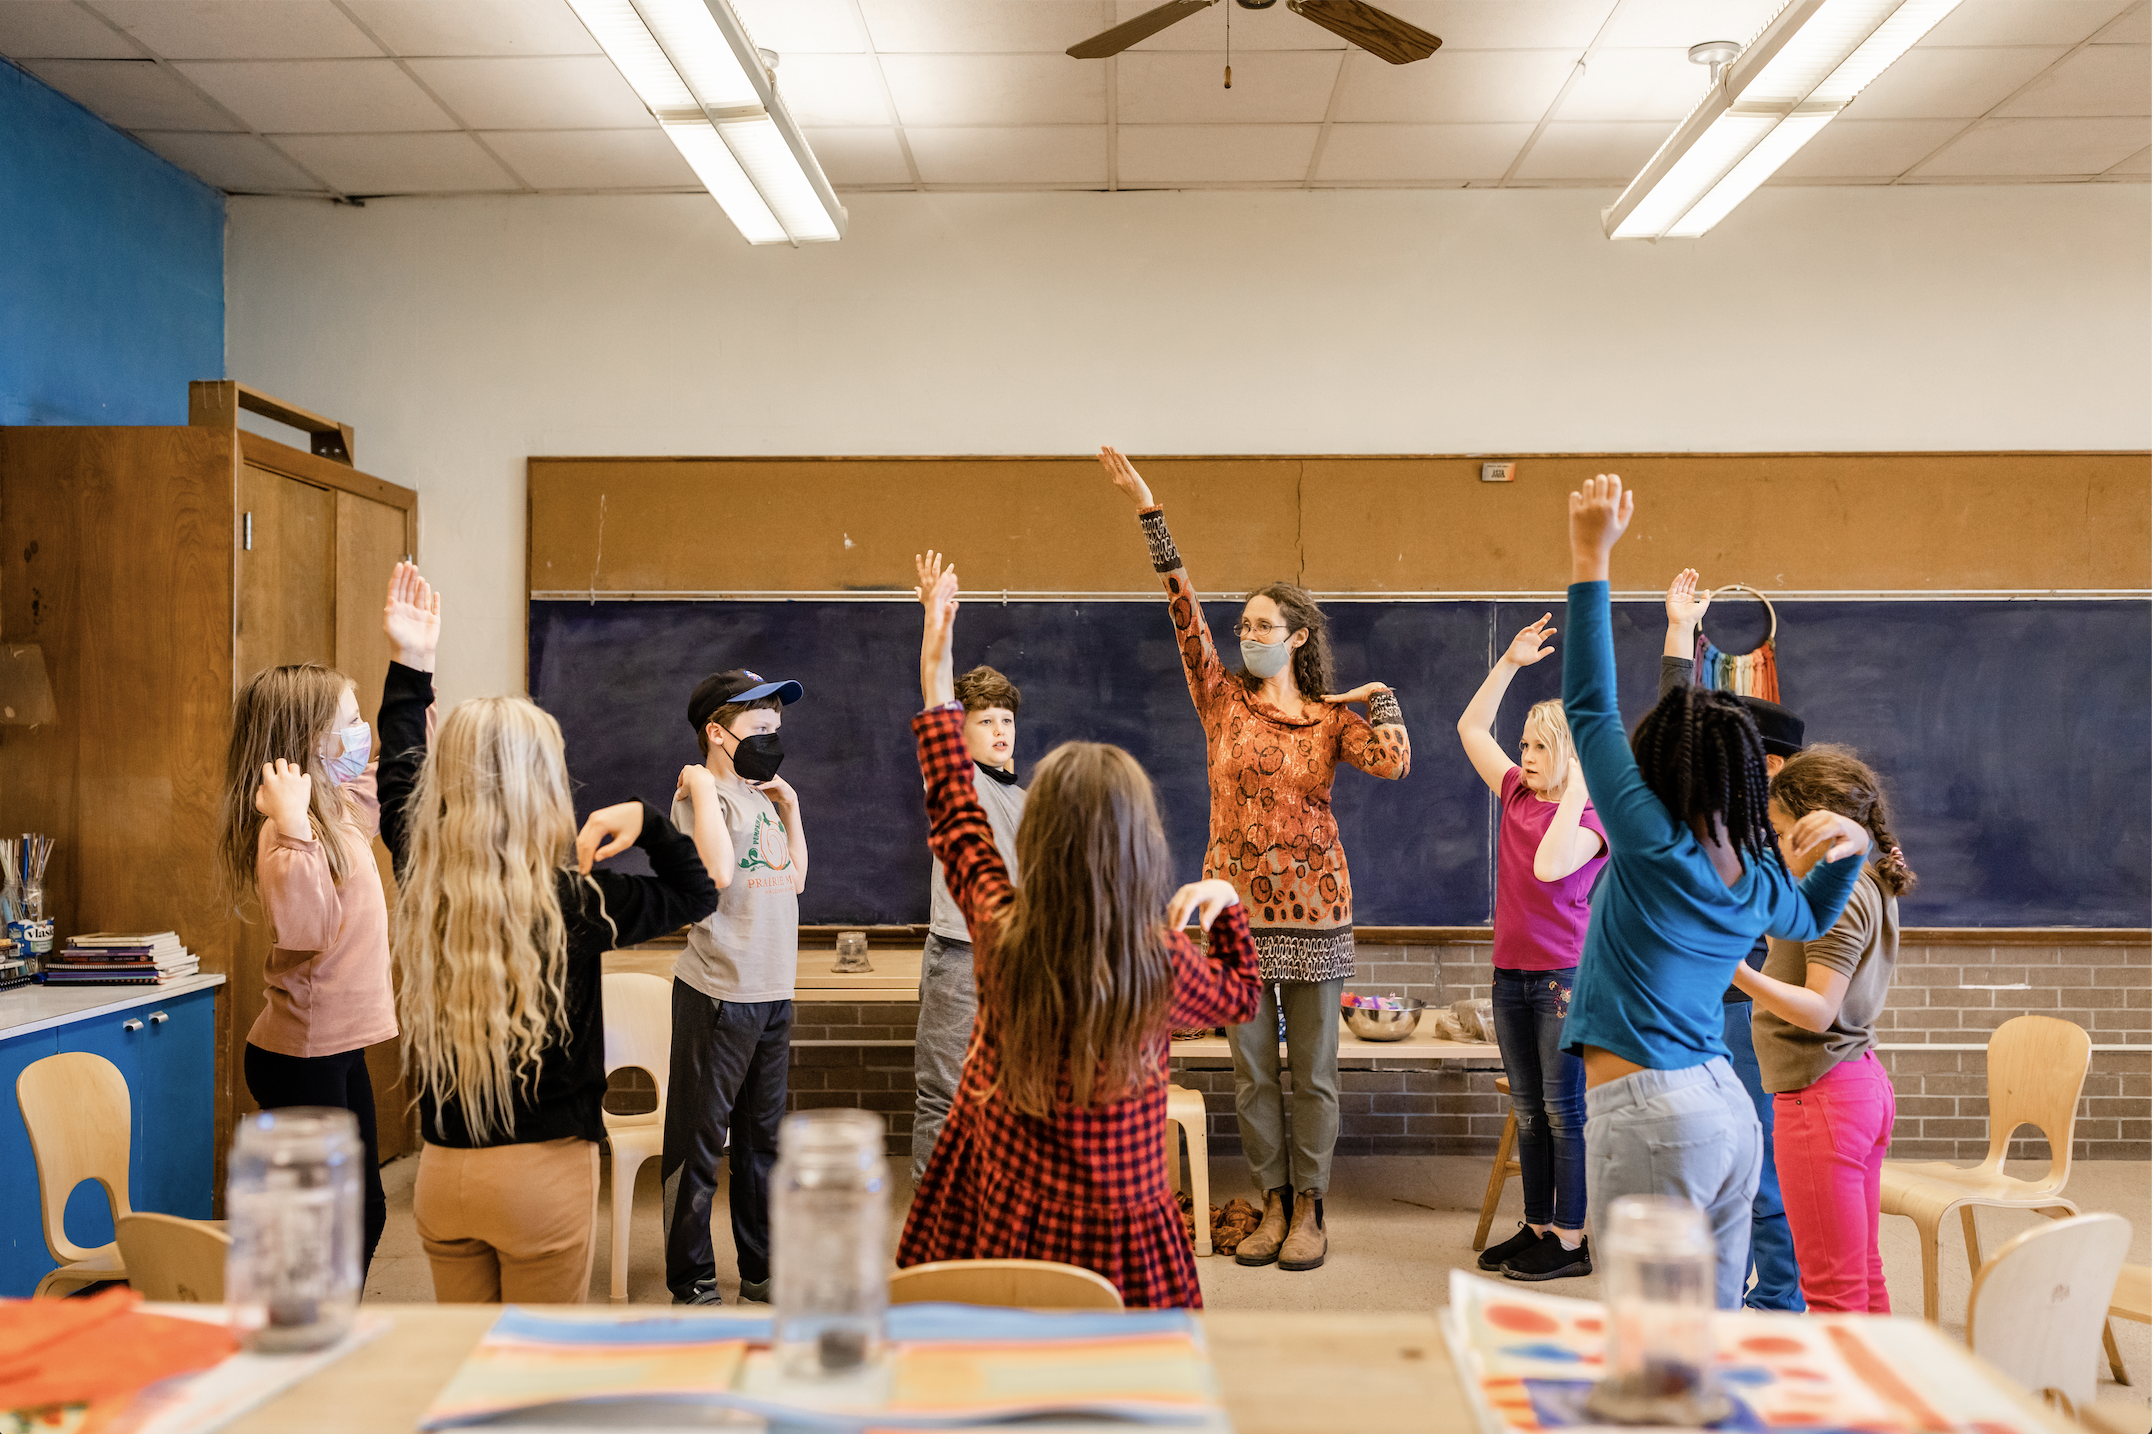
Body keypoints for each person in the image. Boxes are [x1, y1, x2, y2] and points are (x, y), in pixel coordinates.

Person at [897, 560, 1261, 1308]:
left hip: (1001, 1218)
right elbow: (1243, 996)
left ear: (1038, 838)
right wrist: (1226, 907)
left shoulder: (1000, 934)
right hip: (1119, 1243)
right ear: (1141, 849)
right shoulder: (1159, 966)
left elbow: (952, 807)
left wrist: (937, 656)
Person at [1560, 476, 1872, 1309]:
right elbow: (1811, 913)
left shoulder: (1652, 843)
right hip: (1725, 1110)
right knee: (1713, 1336)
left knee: (1651, 1350)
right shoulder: (1758, 872)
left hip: (1651, 1112)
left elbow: (1588, 707)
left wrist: (1592, 555)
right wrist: (1857, 845)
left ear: (1662, 766)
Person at [1099, 447, 1409, 1274]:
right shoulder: (1221, 697)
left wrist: (1374, 695)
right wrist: (1149, 512)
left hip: (1318, 910)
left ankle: (1311, 1207)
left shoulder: (1332, 716)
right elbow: (1184, 613)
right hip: (1236, 914)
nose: (1247, 635)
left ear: (1299, 636)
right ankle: (1270, 1202)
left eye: (1264, 626)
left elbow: (1397, 762)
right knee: (1249, 1071)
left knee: (1312, 1072)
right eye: (1244, 626)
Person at [379, 562, 721, 1303]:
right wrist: (650, 822)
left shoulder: (427, 881)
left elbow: (398, 790)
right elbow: (700, 894)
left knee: (467, 1374)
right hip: (542, 1178)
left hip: (443, 1176)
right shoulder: (578, 901)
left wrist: (412, 667)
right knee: (535, 1383)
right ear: (546, 786)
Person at [1662, 568, 1809, 1310]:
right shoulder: (1739, 825)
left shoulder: (1777, 842)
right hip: (1710, 1014)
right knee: (1728, 1162)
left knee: (1763, 1165)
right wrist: (1679, 633)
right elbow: (1675, 737)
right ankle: (1755, 1288)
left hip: (1745, 1017)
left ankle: (1781, 1297)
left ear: (1773, 764)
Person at [219, 656, 395, 1275]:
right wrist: (292, 824)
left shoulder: (340, 806)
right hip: (301, 1055)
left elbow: (399, 769)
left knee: (363, 1210)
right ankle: (310, 1338)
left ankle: (326, 1335)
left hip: (334, 1049)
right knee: (338, 1220)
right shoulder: (285, 834)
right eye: (348, 723)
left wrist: (412, 665)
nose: (361, 734)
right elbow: (307, 930)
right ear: (306, 741)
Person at [1456, 614, 1607, 1281]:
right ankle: (1539, 1224)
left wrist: (1578, 782)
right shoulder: (1515, 791)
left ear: (1569, 754)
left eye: (1541, 746)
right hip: (1510, 976)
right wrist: (1510, 663)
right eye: (1524, 744)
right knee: (1528, 1109)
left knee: (1562, 1110)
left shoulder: (1592, 819)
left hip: (1561, 981)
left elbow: (1550, 866)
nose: (1525, 756)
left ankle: (1571, 1240)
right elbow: (1469, 729)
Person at [1737, 747, 1913, 1314]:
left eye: (1785, 832)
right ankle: (1879, 1399)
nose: (1778, 844)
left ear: (1818, 828)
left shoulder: (1841, 897)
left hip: (1823, 1099)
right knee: (1862, 1276)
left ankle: (1844, 1404)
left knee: (1832, 1295)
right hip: (1853, 1087)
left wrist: (1732, 970)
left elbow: (1817, 1008)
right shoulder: (1860, 876)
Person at [662, 666, 811, 1305]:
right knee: (699, 1141)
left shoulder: (762, 796)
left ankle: (761, 1267)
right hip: (720, 990)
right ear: (719, 734)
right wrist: (700, 784)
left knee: (762, 1143)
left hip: (773, 988)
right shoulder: (702, 798)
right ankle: (690, 1277)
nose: (772, 736)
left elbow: (796, 878)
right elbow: (717, 872)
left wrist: (792, 806)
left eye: (776, 725)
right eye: (759, 725)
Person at [909, 551, 1028, 1188]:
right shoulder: (954, 781)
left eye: (1007, 721)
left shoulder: (1026, 798)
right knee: (946, 1096)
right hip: (960, 957)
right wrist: (938, 623)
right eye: (985, 722)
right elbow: (935, 691)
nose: (1000, 732)